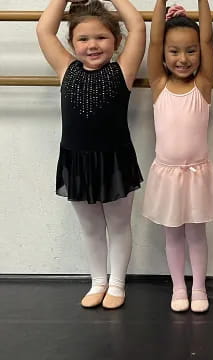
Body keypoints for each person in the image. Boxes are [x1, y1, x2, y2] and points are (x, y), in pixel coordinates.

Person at [36, 0, 146, 309]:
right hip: (77, 161)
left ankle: (117, 284)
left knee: (119, 225)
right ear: (71, 44)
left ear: (117, 41)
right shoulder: (66, 68)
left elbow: (137, 26)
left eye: (101, 37)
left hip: (115, 161)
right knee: (91, 229)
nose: (92, 45)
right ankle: (98, 281)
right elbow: (44, 29)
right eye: (83, 39)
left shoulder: (122, 69)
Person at [142, 0, 213, 313]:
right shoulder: (158, 85)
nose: (183, 58)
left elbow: (207, 38)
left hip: (197, 174)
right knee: (173, 235)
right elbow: (155, 39)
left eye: (190, 51)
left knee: (197, 234)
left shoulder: (203, 86)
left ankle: (199, 286)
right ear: (163, 55)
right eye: (174, 51)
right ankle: (178, 287)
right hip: (167, 174)